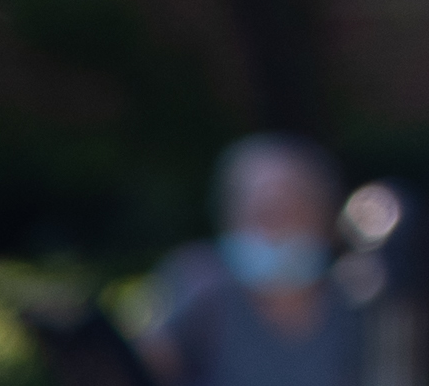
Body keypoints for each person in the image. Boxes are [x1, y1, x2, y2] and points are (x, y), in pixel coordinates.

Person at [142, 135, 373, 386]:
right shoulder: (198, 284)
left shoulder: (358, 298)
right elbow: (138, 368)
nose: (273, 231)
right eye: (261, 214)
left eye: (290, 211)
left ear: (326, 217)